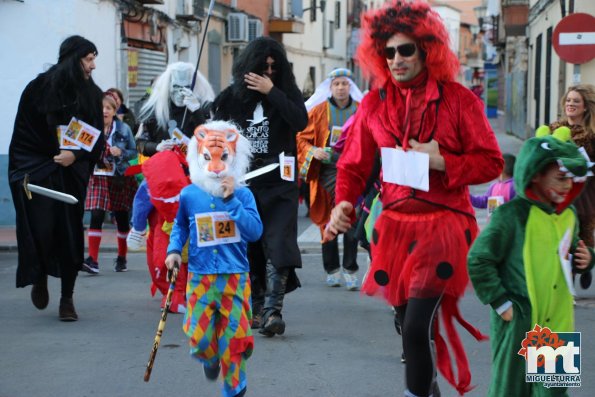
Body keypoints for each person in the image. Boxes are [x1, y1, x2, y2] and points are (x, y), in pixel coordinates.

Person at [323, 2, 503, 395]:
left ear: (426, 49)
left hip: (443, 224)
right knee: (409, 326)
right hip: (394, 229)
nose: (396, 59)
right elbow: (352, 166)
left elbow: (491, 163)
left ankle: (416, 392)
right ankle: (427, 390)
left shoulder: (458, 100)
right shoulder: (373, 103)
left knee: (419, 324)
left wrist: (442, 161)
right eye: (388, 52)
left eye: (405, 50)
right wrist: (343, 203)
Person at [467, 126, 595, 396]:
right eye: (560, 178)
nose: (567, 186)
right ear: (536, 174)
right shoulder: (511, 216)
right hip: (519, 321)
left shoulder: (568, 215)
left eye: (571, 179)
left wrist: (585, 259)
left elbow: (569, 256)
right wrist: (502, 303)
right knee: (511, 391)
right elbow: (479, 260)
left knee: (553, 392)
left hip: (556, 323)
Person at [212, 37, 309, 336]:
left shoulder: (286, 93)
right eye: (262, 67)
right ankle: (255, 305)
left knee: (279, 242)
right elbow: (216, 134)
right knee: (251, 245)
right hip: (245, 184)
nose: (268, 72)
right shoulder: (231, 98)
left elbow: (300, 121)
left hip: (281, 183)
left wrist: (273, 92)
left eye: (273, 68)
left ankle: (272, 311)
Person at [8, 35, 104, 321]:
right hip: (39, 172)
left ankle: (67, 299)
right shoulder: (37, 89)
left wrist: (74, 156)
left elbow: (96, 138)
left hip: (71, 177)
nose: (93, 66)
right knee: (41, 229)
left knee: (69, 234)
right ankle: (39, 276)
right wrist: (50, 155)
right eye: (88, 59)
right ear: (74, 60)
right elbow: (22, 135)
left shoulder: (91, 94)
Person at [165, 120, 262, 397]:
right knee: (199, 337)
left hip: (235, 278)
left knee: (235, 341)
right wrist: (173, 251)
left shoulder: (243, 194)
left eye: (223, 158)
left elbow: (255, 232)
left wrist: (232, 202)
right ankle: (208, 358)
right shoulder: (189, 194)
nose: (217, 166)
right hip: (200, 278)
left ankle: (234, 388)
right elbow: (181, 225)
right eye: (209, 157)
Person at [130, 62, 214, 313]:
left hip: (195, 182)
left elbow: (213, 142)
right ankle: (172, 289)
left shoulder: (204, 110)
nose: (180, 91)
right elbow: (140, 142)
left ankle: (194, 289)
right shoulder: (155, 109)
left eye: (185, 85)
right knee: (163, 239)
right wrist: (157, 147)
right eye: (175, 85)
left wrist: (198, 113)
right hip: (164, 183)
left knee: (199, 238)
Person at [297, 68, 364, 290]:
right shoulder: (317, 111)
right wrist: (314, 151)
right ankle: (332, 268)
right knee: (327, 220)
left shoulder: (361, 111)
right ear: (330, 87)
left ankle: (351, 268)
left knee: (351, 221)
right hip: (326, 172)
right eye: (336, 84)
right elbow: (301, 139)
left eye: (345, 84)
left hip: (354, 173)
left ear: (350, 87)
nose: (341, 88)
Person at [82, 92, 137, 274]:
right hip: (97, 176)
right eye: (101, 108)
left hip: (119, 176)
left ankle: (122, 258)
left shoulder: (123, 129)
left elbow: (133, 152)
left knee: (121, 218)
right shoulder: (91, 128)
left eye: (108, 108)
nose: (104, 111)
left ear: (114, 111)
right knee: (96, 215)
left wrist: (120, 152)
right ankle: (93, 260)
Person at [550, 84, 595, 289]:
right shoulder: (554, 130)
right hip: (558, 191)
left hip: (585, 192)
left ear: (585, 107)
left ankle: (584, 266)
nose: (571, 104)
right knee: (562, 236)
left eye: (576, 101)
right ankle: (569, 281)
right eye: (568, 100)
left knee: (582, 233)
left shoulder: (591, 134)